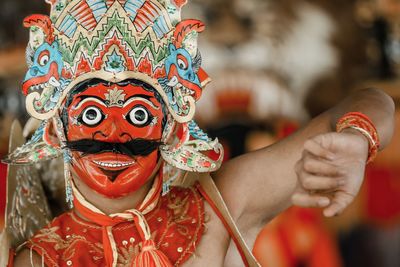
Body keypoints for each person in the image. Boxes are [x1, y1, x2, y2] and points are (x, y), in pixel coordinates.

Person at [4, 0, 394, 266]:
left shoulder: (220, 209)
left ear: (172, 129)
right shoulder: (35, 259)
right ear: (55, 130)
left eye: (137, 114)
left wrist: (357, 135)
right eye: (91, 113)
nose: (113, 134)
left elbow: (371, 98)